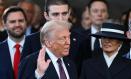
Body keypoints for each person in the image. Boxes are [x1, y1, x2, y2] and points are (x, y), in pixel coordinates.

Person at [0, 6, 32, 79]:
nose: (17, 25)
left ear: (26, 22)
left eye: (21, 21)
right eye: (12, 22)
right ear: (4, 24)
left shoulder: (37, 48)